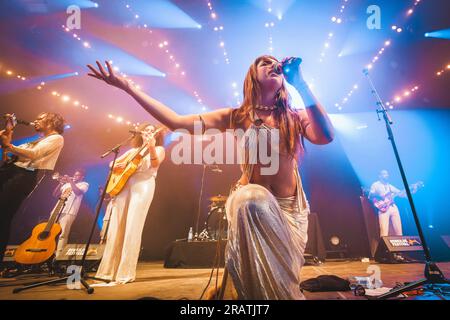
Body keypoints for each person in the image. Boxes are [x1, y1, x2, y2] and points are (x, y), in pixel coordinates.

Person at [87, 55, 334, 299]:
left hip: (290, 211)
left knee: (283, 279)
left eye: (274, 62)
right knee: (252, 198)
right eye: (264, 62)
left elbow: (326, 136)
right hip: (251, 203)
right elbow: (177, 123)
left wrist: (300, 83)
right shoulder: (236, 116)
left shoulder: (294, 115)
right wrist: (129, 88)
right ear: (252, 76)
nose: (272, 65)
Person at [94, 124, 166, 284]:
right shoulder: (132, 151)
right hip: (124, 184)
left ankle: (125, 272)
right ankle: (108, 271)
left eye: (151, 130)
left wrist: (151, 147)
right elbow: (111, 164)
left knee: (133, 226)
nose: (148, 132)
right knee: (116, 226)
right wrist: (115, 165)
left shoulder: (159, 149)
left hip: (143, 184)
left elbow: (154, 164)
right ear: (140, 133)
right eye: (145, 130)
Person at [0, 112, 64, 262]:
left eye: (40, 118)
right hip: (9, 171)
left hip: (21, 176)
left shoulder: (56, 138)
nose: (35, 121)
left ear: (51, 122)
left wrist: (9, 145)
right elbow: (8, 155)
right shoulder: (40, 139)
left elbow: (34, 155)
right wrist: (8, 133)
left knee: (3, 216)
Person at [369, 169, 420, 237]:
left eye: (387, 174)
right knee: (384, 232)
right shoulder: (375, 184)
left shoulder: (390, 186)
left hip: (393, 207)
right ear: (379, 176)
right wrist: (381, 196)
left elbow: (401, 194)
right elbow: (370, 196)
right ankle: (384, 246)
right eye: (384, 174)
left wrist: (412, 190)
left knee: (399, 231)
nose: (387, 175)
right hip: (383, 208)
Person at [52, 169, 89, 257]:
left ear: (82, 177)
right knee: (51, 233)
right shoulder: (66, 184)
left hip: (70, 212)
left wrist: (71, 181)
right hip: (57, 210)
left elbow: (78, 192)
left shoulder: (84, 184)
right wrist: (60, 183)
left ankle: (59, 256)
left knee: (63, 234)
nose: (75, 177)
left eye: (77, 175)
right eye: (74, 175)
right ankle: (48, 254)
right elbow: (55, 194)